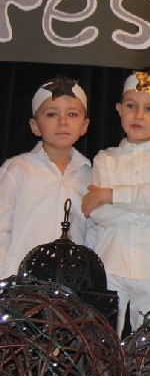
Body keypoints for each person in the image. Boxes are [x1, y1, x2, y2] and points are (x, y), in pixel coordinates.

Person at [82, 67, 150, 335]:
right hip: (111, 262)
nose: (139, 115)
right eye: (131, 106)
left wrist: (108, 194)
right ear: (119, 109)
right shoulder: (105, 159)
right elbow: (98, 214)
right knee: (103, 340)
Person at [0, 76, 91, 278]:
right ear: (35, 126)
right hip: (18, 281)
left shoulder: (90, 175)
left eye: (72, 114)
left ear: (84, 126)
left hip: (68, 283)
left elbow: (92, 234)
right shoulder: (17, 169)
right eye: (51, 114)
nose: (63, 121)